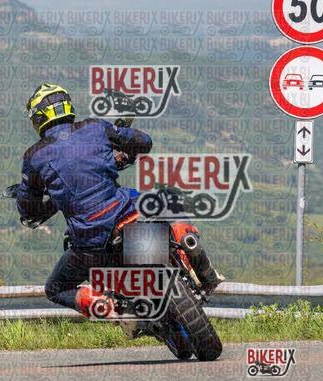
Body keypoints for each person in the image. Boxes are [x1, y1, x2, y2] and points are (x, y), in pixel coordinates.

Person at [16, 83, 224, 317]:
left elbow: (28, 209)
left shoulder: (34, 157)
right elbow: (143, 142)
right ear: (67, 106)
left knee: (55, 289)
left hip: (90, 242)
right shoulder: (95, 127)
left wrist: (50, 200)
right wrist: (122, 153)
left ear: (39, 118)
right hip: (124, 212)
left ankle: (106, 306)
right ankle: (194, 255)